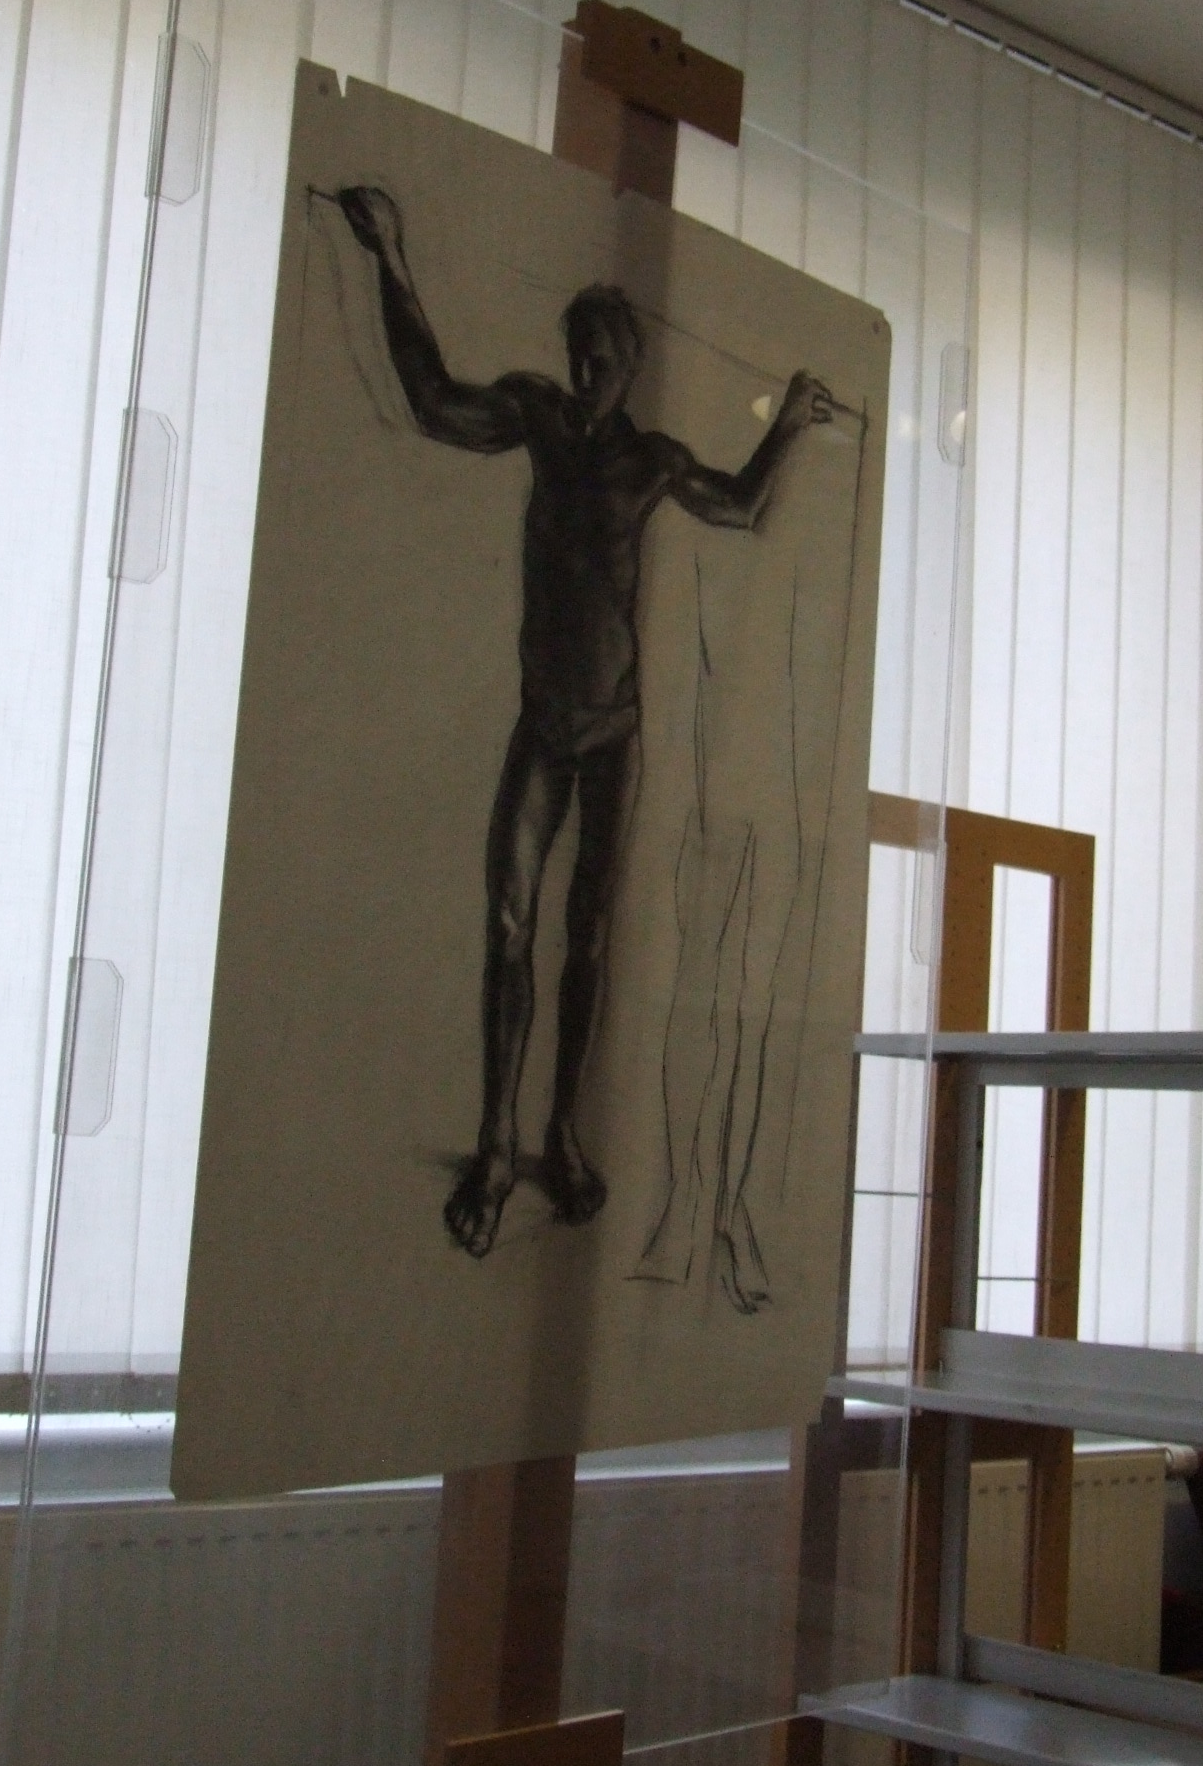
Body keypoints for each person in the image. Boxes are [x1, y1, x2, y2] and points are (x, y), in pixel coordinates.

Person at [331, 181, 835, 1260]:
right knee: (509, 929)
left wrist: (791, 422)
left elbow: (743, 506)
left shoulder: (650, 461)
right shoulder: (538, 419)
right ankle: (494, 1147)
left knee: (587, 939)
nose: (586, 369)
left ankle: (558, 1136)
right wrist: (391, 258)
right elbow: (432, 402)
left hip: (612, 737)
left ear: (630, 367)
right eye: (577, 354)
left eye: (602, 357)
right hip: (543, 724)